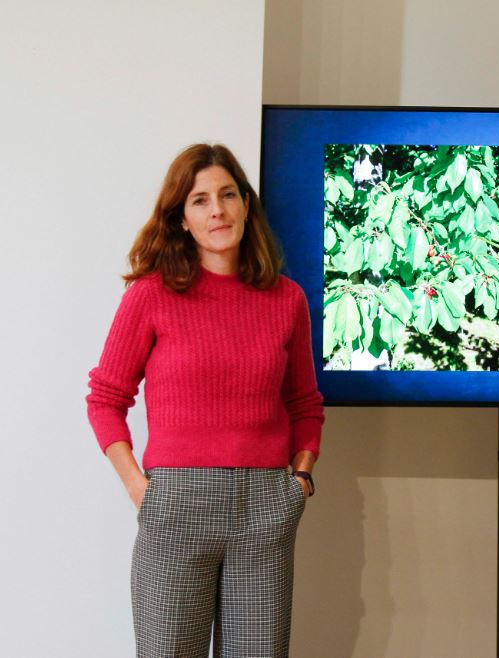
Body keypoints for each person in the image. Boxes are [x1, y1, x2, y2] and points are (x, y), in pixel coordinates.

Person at [86, 144, 325, 658]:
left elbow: (305, 402)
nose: (216, 209)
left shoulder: (287, 300)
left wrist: (299, 478)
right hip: (175, 504)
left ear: (245, 206)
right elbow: (106, 398)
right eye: (199, 200)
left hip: (266, 507)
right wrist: (140, 488)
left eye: (227, 195)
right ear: (182, 219)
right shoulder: (150, 296)